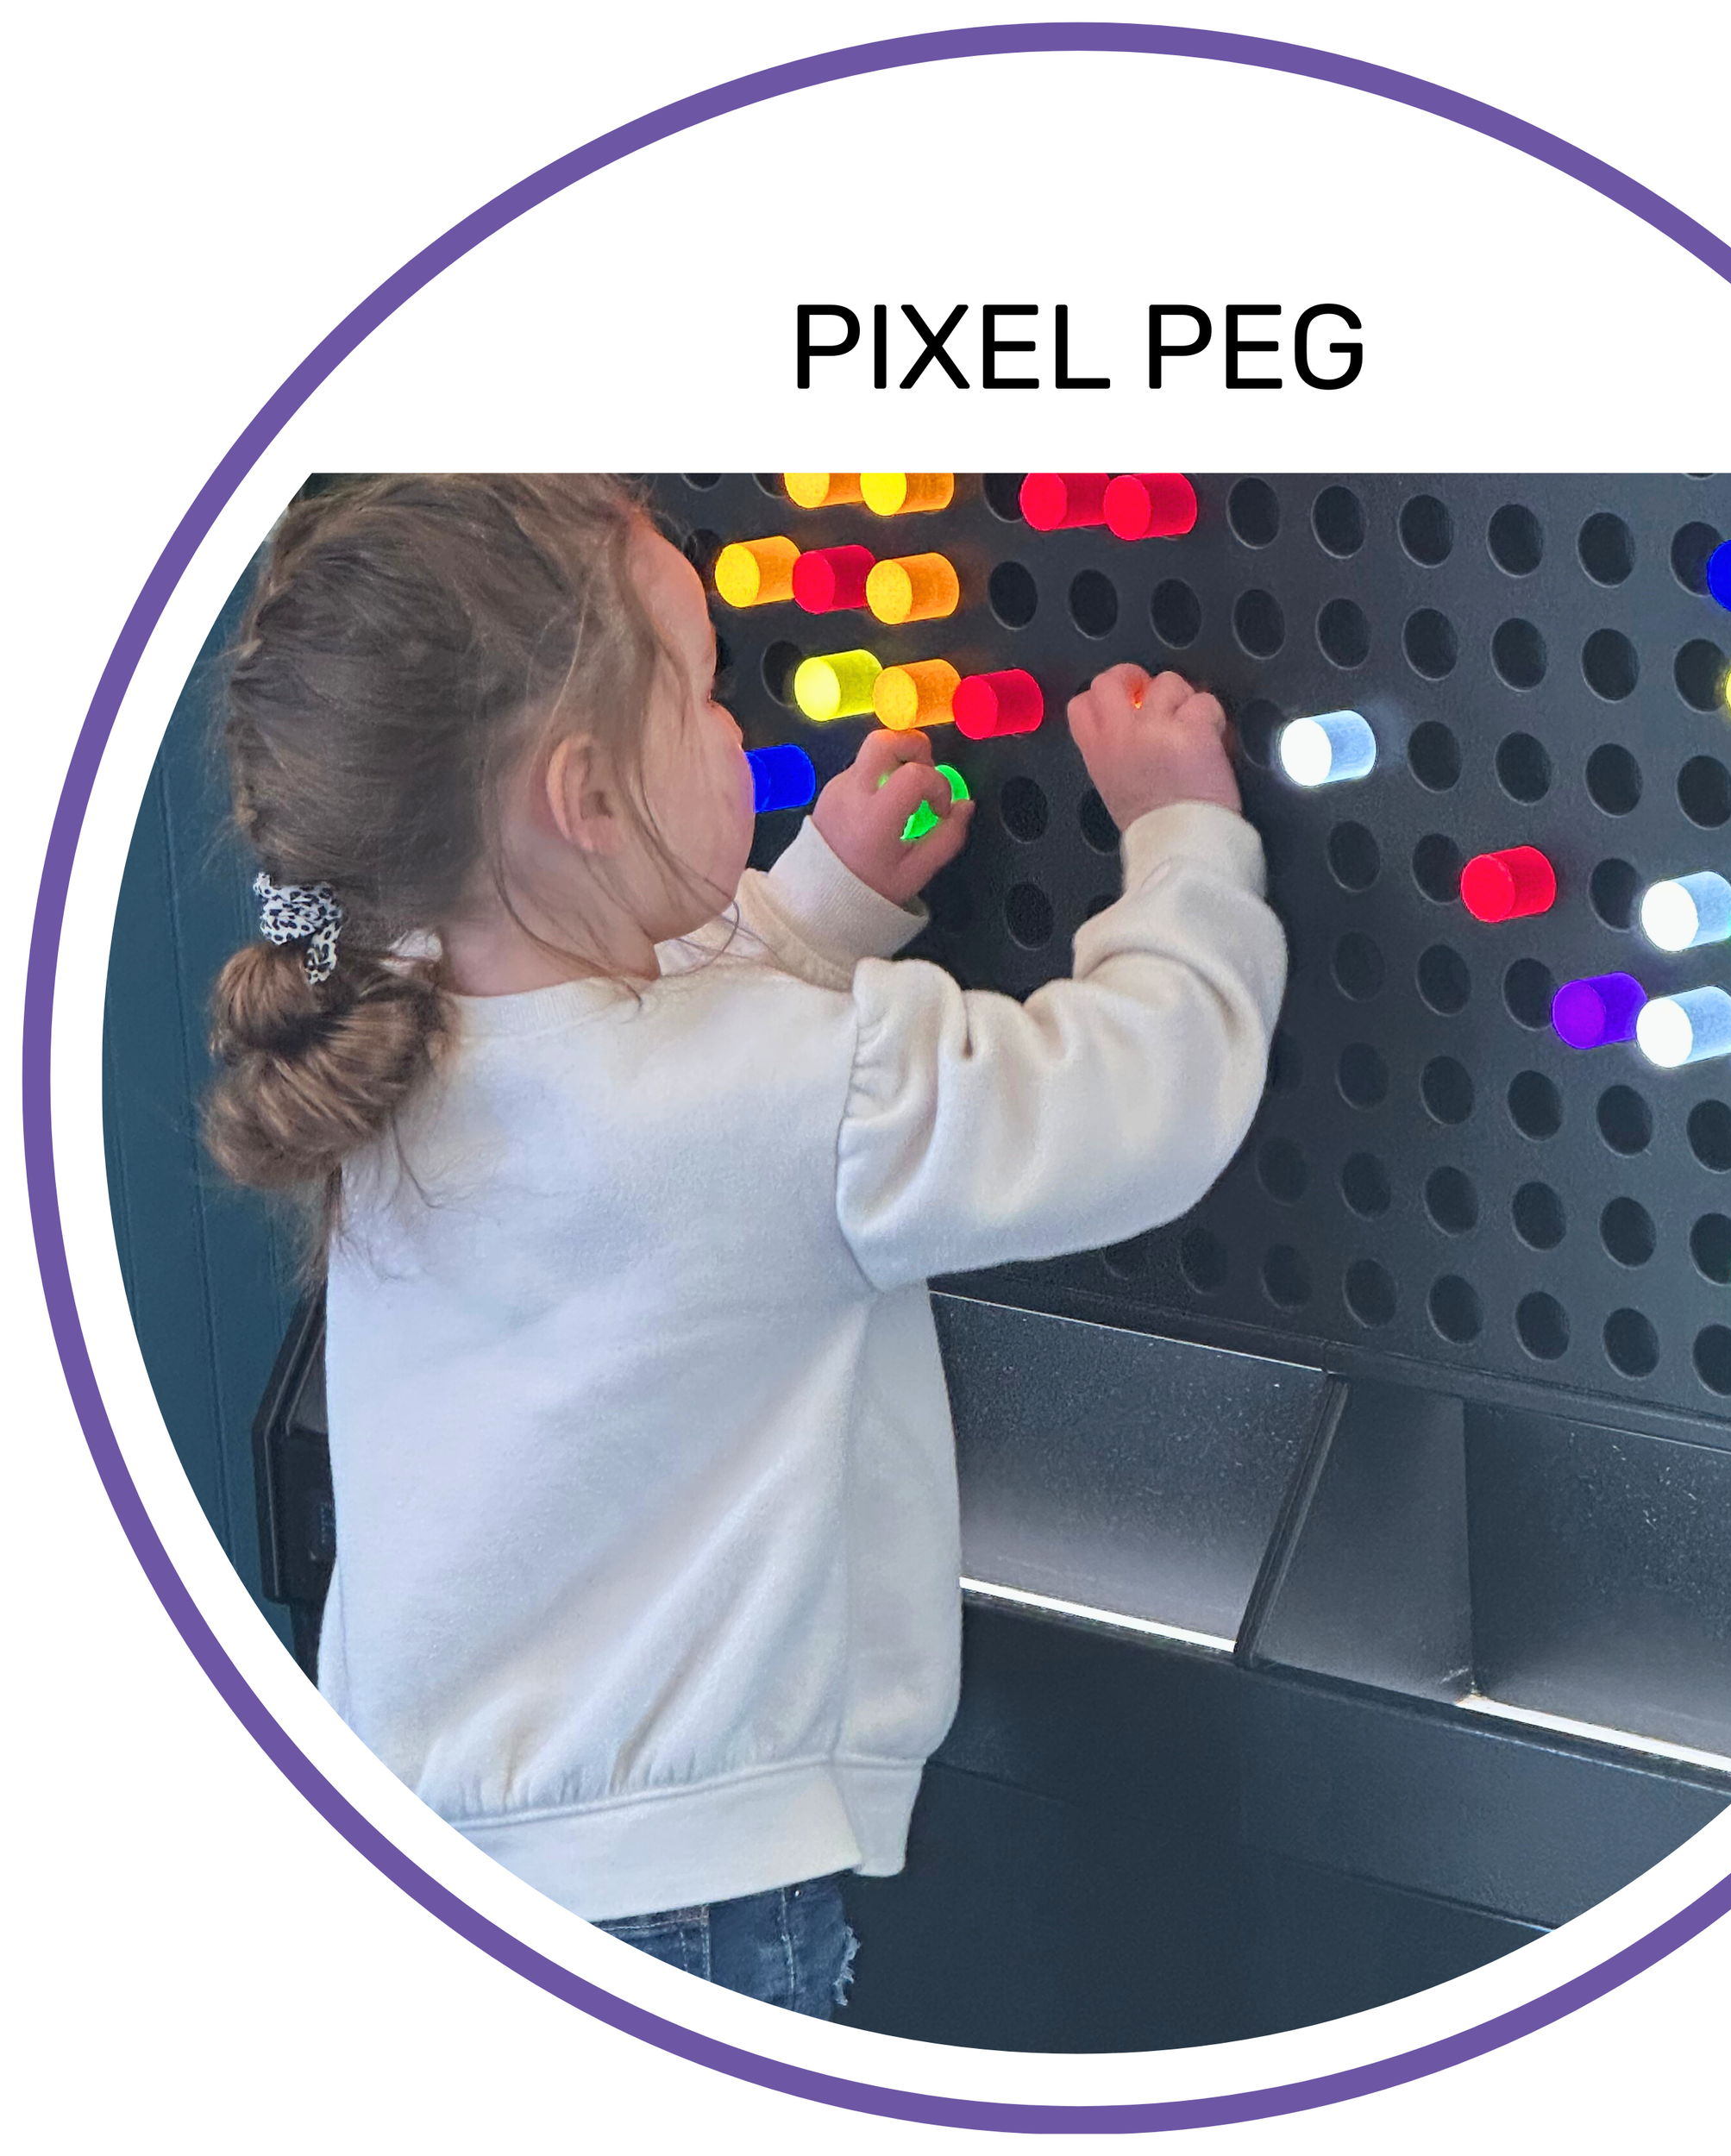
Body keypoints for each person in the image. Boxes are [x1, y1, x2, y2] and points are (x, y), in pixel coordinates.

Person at [203, 473, 1287, 2018]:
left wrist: (815, 907)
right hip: (680, 1908)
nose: (737, 731)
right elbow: (1140, 1103)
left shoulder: (377, 1031)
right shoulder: (794, 1091)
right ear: (583, 800)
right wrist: (1182, 840)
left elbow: (637, 1061)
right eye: (705, 692)